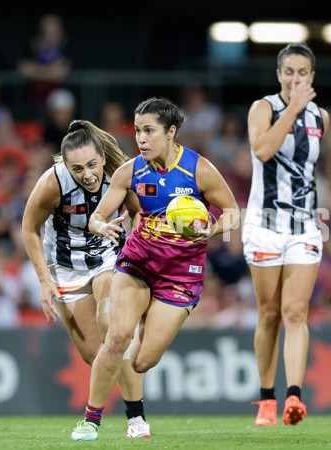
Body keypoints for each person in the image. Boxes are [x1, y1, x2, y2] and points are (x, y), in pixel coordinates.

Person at [69, 97, 240, 441]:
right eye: (137, 131)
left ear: (171, 132)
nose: (141, 139)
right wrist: (102, 226)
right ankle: (90, 421)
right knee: (117, 337)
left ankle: (145, 326)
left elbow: (234, 212)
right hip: (138, 262)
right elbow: (98, 216)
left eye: (149, 131)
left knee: (144, 360)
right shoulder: (130, 171)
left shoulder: (199, 170)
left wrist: (211, 229)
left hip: (180, 274)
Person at [21, 119, 150, 439]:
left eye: (93, 164)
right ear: (66, 165)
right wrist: (44, 281)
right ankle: (111, 414)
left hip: (108, 256)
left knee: (114, 330)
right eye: (78, 168)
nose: (88, 174)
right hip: (65, 268)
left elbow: (139, 213)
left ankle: (135, 420)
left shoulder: (120, 174)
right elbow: (29, 228)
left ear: (104, 158)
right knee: (95, 355)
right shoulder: (53, 183)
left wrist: (132, 243)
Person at [242, 43, 330, 427]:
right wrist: (292, 108)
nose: (296, 78)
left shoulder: (321, 116)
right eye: (289, 72)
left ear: (312, 77)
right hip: (264, 224)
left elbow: (310, 169)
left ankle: (294, 395)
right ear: (279, 75)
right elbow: (262, 151)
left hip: (305, 225)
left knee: (296, 312)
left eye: (303, 73)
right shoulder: (263, 108)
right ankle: (266, 399)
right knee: (270, 314)